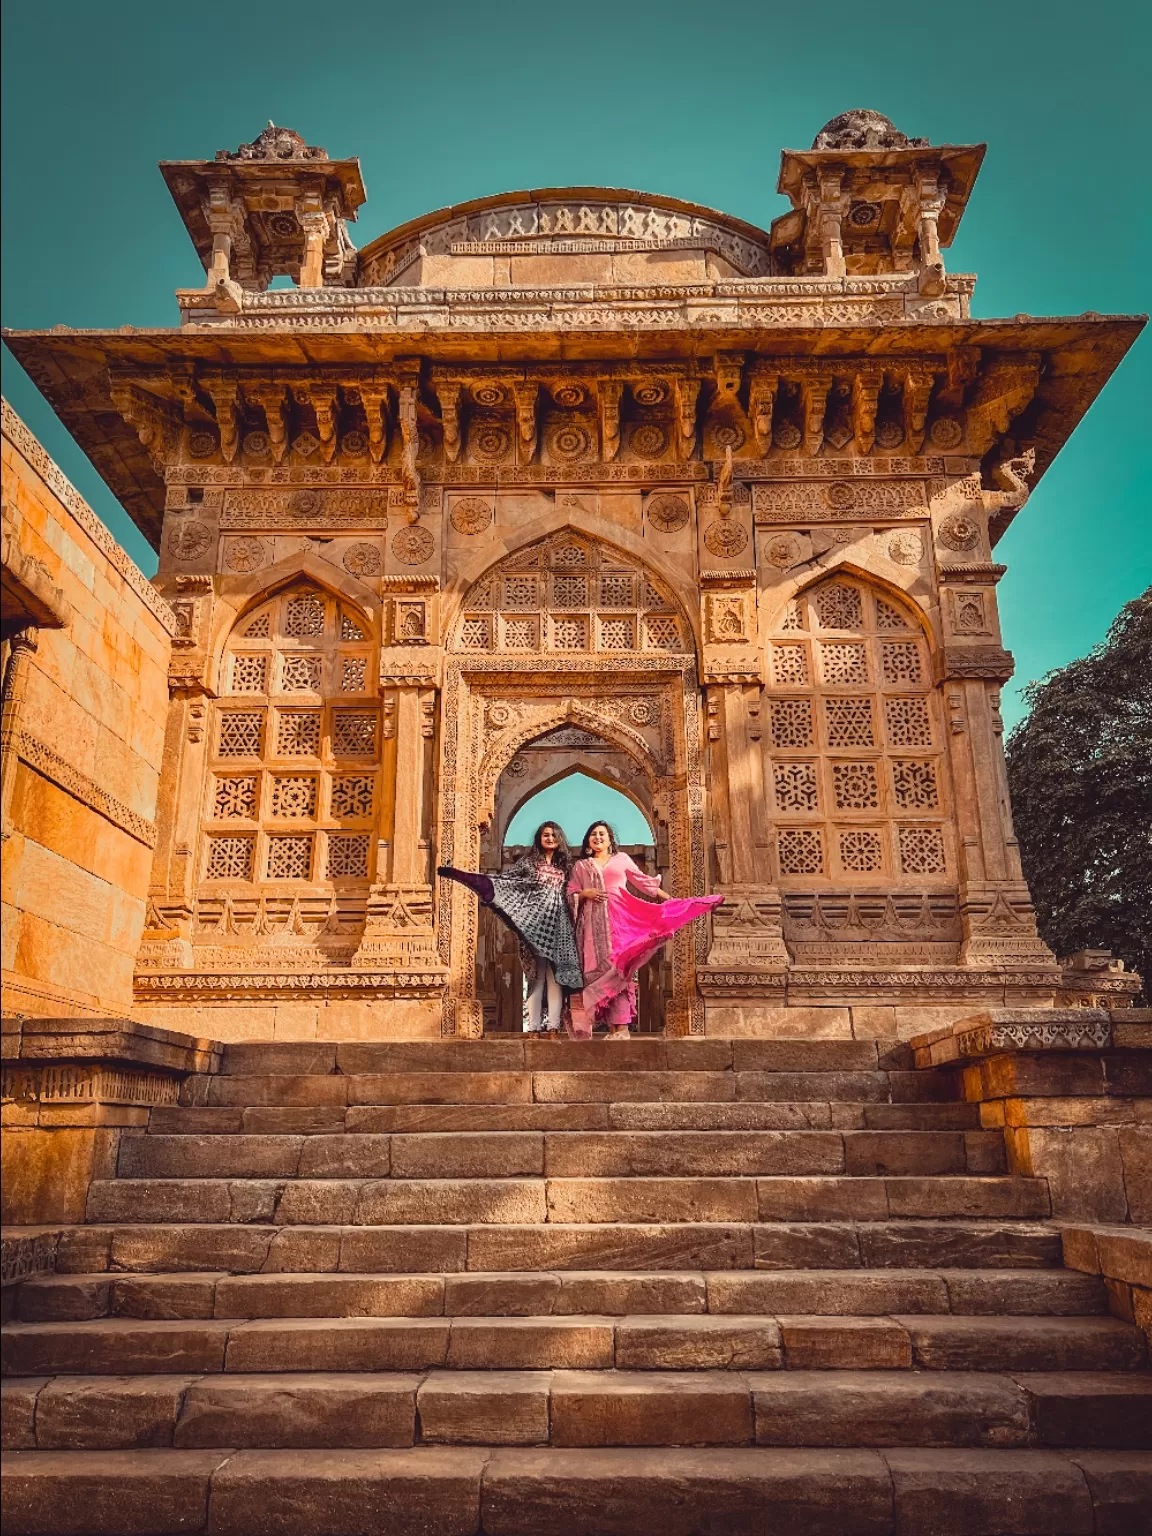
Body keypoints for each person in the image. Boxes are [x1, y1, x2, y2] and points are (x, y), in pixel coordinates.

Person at [567, 820, 723, 1039]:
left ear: (610, 839)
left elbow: (644, 883)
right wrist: (585, 894)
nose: (598, 837)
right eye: (593, 834)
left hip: (621, 919)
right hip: (592, 927)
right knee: (599, 973)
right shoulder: (582, 866)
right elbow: (571, 891)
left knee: (621, 969)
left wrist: (671, 901)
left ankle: (622, 1028)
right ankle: (612, 1029)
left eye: (602, 834)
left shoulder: (621, 860)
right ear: (588, 841)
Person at [438, 822, 582, 1035]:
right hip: (533, 926)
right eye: (545, 835)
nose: (549, 838)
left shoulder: (566, 867)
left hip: (559, 928)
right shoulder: (529, 863)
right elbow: (508, 881)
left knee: (556, 979)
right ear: (539, 838)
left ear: (560, 838)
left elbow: (571, 894)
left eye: (553, 835)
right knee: (536, 977)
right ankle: (533, 1028)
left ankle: (553, 1027)